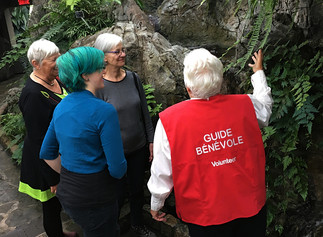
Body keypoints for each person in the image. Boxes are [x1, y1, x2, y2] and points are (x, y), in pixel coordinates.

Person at [148, 48, 273, 237]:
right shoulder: (246, 104)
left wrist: (157, 202)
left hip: (204, 214)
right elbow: (265, 110)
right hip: (249, 206)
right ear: (220, 82)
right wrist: (258, 73)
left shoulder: (169, 121)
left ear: (188, 88)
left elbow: (162, 169)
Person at [39, 46, 127, 237]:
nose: (103, 71)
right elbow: (117, 169)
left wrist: (73, 173)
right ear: (85, 75)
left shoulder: (61, 106)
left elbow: (46, 152)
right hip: (97, 197)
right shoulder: (104, 111)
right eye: (98, 68)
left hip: (69, 194)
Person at [94, 33, 156, 237]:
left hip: (138, 148)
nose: (123, 54)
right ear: (103, 56)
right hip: (114, 154)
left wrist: (150, 140)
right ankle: (112, 230)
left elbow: (144, 113)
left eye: (123, 50)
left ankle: (137, 224)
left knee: (137, 190)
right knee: (117, 195)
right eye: (117, 51)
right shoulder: (98, 87)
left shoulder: (133, 78)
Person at [18, 39, 76, 237]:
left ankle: (60, 232)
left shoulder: (55, 80)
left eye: (59, 56)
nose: (59, 62)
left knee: (58, 203)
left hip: (61, 154)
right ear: (36, 63)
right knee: (51, 207)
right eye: (53, 59)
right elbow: (38, 139)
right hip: (46, 161)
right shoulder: (32, 95)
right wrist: (52, 176)